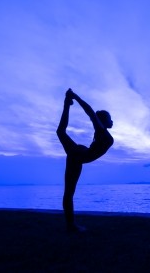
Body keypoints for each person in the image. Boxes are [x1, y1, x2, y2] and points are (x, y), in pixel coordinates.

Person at [56, 89, 114, 232]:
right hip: (78, 156)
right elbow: (90, 112)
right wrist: (76, 96)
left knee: (60, 132)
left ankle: (66, 104)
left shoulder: (103, 134)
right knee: (69, 193)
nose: (112, 120)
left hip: (79, 154)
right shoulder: (102, 133)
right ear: (103, 122)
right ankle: (71, 226)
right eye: (109, 118)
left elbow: (92, 114)